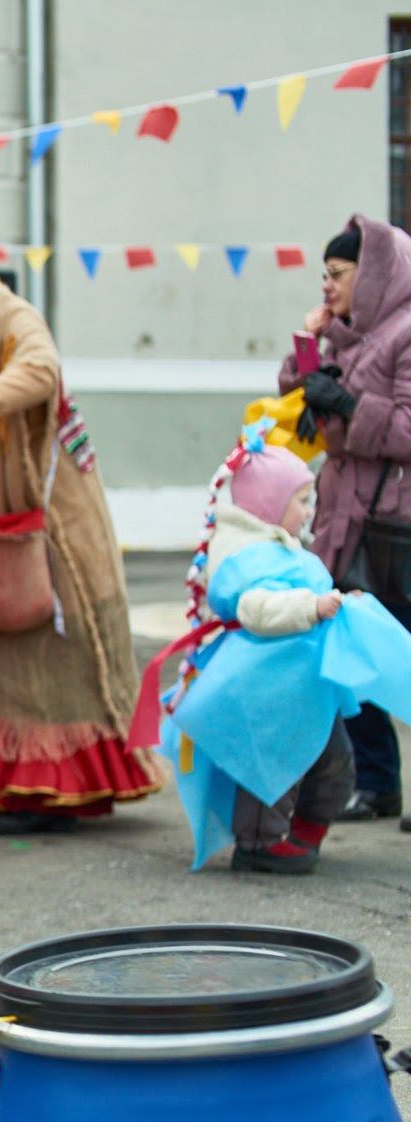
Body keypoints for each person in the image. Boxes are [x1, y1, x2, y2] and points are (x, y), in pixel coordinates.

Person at [0, 217, 158, 833]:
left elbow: (42, 371)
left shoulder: (15, 317)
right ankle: (2, 782)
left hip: (47, 517)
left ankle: (47, 789)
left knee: (46, 648)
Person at [133, 425, 411, 872]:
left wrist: (336, 605)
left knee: (333, 761)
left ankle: (306, 833)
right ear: (268, 504)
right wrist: (313, 605)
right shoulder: (245, 556)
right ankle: (259, 843)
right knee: (271, 768)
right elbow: (257, 607)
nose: (309, 511)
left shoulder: (279, 546)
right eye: (302, 501)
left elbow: (301, 591)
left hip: (305, 687)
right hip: (267, 692)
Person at [278, 216, 411, 833]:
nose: (326, 286)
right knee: (349, 647)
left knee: (403, 652)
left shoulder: (406, 331)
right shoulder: (344, 334)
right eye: (323, 275)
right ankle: (378, 783)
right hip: (346, 516)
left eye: (337, 274)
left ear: (374, 272)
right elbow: (297, 397)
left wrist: (354, 408)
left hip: (398, 520)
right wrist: (310, 348)